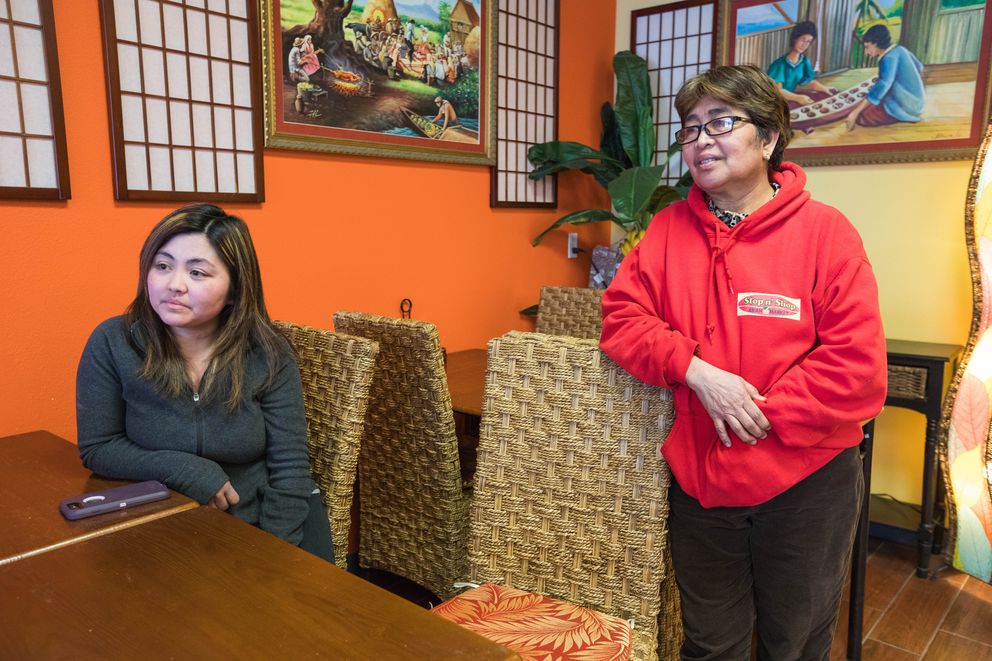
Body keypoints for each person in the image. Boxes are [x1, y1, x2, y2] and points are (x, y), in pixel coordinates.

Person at [599, 65, 886, 660]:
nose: (700, 140)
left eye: (720, 123)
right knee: (710, 645)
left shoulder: (826, 234)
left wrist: (756, 409)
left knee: (794, 644)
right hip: (702, 480)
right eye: (690, 128)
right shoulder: (667, 230)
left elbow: (856, 369)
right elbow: (621, 320)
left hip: (807, 480)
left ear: (769, 138)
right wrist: (698, 373)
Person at [76, 204, 333, 562]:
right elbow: (99, 448)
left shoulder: (268, 352)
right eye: (162, 266)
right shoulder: (113, 342)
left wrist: (274, 553)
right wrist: (184, 468)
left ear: (235, 290)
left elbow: (290, 469)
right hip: (163, 524)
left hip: (263, 522)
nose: (174, 285)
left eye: (197, 272)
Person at [846, 24, 925, 131]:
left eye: (867, 47)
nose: (866, 52)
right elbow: (919, 67)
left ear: (876, 43)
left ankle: (901, 115)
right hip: (918, 103)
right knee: (871, 100)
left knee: (862, 117)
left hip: (905, 107)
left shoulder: (888, 58)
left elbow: (883, 85)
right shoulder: (901, 49)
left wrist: (855, 112)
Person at [767, 21, 837, 106]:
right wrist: (797, 98)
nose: (804, 44)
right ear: (795, 39)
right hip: (775, 102)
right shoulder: (779, 64)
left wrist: (824, 88)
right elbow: (777, 91)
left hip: (790, 99)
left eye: (808, 41)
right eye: (803, 40)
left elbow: (809, 82)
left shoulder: (804, 61)